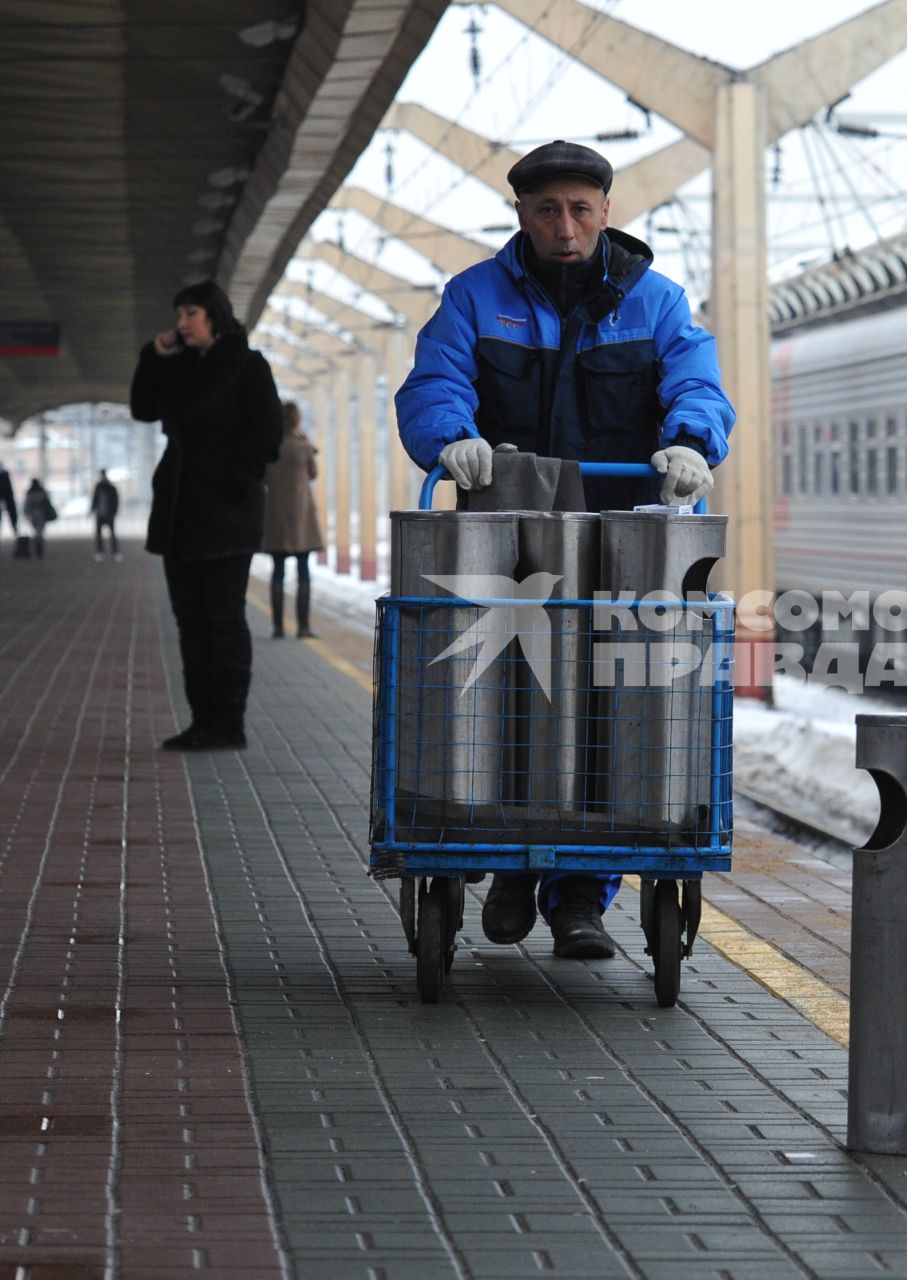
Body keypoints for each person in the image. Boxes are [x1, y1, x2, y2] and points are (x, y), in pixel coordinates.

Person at [396, 139, 735, 960]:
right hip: (510, 536)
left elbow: (697, 382)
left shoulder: (655, 304)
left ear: (607, 212)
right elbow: (436, 382)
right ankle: (514, 865)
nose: (565, 225)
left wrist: (692, 442)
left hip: (623, 545)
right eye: (547, 209)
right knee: (510, 692)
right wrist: (451, 440)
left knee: (612, 705)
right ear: (523, 215)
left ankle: (579, 894)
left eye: (581, 208)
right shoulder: (475, 298)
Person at [130, 280, 282, 752]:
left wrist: (234, 481)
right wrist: (152, 355)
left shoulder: (248, 366)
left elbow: (266, 433)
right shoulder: (178, 368)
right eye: (179, 317)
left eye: (190, 314)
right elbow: (142, 409)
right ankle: (201, 720)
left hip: (226, 514)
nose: (181, 324)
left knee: (223, 619)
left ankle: (229, 722)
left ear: (214, 315)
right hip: (179, 512)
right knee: (189, 622)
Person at [261, 401, 325, 638]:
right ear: (297, 420)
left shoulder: (270, 447)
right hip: (301, 518)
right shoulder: (303, 446)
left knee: (278, 571)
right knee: (303, 571)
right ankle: (303, 627)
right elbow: (313, 473)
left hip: (276, 516)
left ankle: (278, 627)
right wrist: (303, 438)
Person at [91, 470, 120, 561]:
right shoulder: (101, 487)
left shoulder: (106, 487)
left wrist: (114, 511)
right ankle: (102, 552)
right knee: (101, 534)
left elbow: (115, 501)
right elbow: (94, 500)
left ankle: (113, 552)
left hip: (108, 514)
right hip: (102, 514)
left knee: (111, 534)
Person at [22, 479, 55, 555]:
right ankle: (39, 542)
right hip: (42, 513)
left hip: (33, 514)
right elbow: (47, 503)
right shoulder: (42, 492)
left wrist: (26, 513)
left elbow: (27, 505)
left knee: (36, 530)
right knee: (40, 530)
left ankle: (37, 541)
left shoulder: (30, 493)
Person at [0, 461, 17, 537]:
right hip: (6, 490)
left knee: (11, 506)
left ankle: (14, 526)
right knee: (11, 506)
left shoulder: (4, 474)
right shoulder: (4, 474)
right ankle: (14, 526)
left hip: (6, 489)